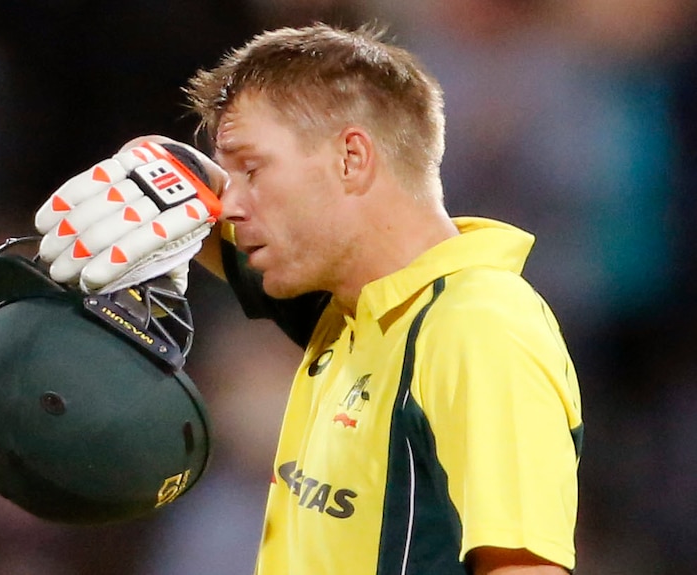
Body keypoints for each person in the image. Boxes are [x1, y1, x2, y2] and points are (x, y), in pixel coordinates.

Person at [35, 23, 583, 575]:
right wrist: (164, 169)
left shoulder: (478, 326)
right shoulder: (349, 309)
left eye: (252, 168)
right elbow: (188, 202)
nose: (229, 205)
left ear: (351, 158)